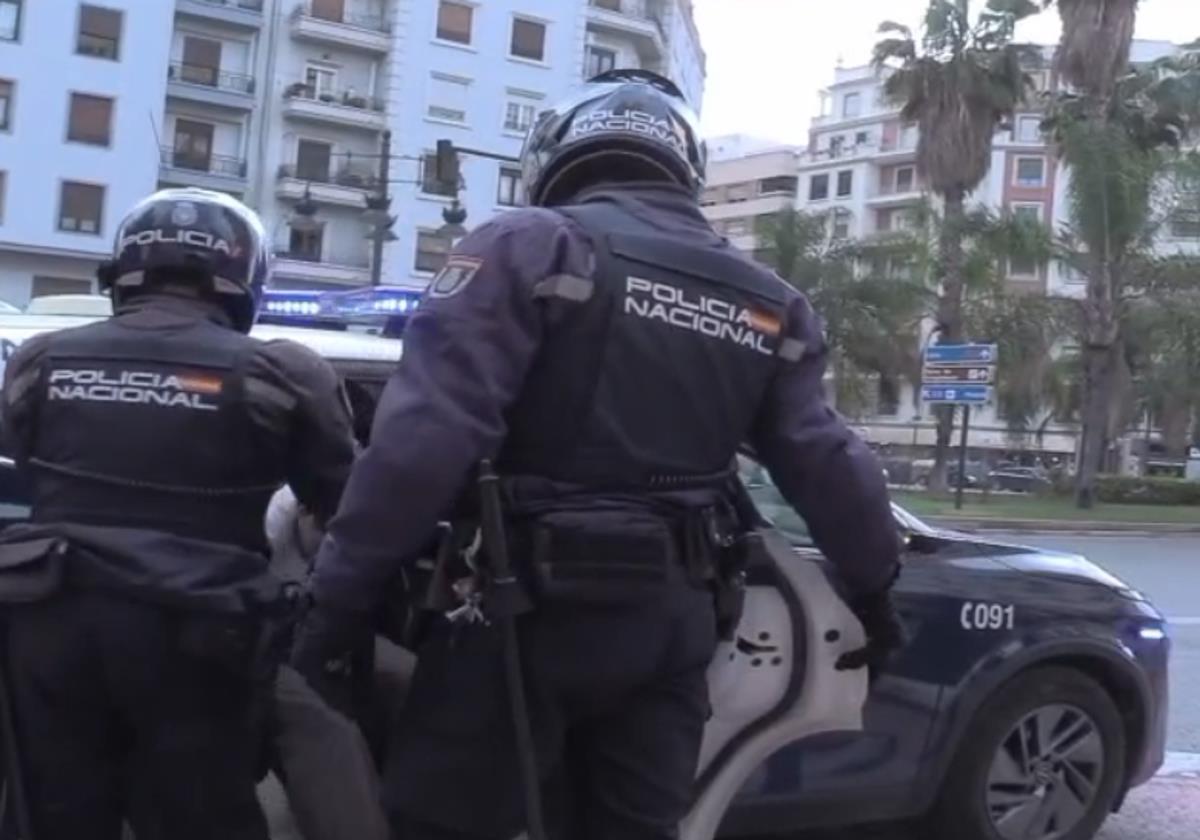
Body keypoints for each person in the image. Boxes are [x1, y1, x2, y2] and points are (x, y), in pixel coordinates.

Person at [293, 69, 904, 840]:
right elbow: (827, 462)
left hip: (521, 614)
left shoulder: (529, 245)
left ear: (555, 155)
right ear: (684, 164)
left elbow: (423, 443)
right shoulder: (770, 303)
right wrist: (875, 590)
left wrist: (337, 600)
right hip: (671, 623)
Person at [0, 188, 356, 840]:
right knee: (200, 817)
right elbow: (344, 504)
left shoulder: (39, 360)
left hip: (44, 623)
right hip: (198, 632)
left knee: (56, 814)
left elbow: (23, 460)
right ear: (242, 277)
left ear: (125, 270)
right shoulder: (280, 373)